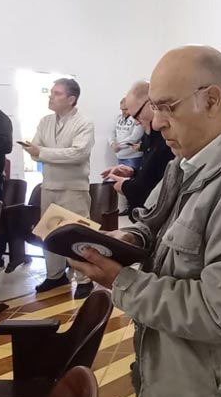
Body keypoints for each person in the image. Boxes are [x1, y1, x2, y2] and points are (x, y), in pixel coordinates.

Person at [69, 45, 221, 397]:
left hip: (214, 393)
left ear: (211, 100)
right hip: (175, 368)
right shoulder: (186, 162)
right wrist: (127, 239)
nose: (157, 123)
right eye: (154, 107)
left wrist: (121, 281)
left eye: (167, 107)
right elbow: (155, 222)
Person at [21, 78, 95, 299]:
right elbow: (35, 151)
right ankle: (55, 275)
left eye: (57, 93)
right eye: (51, 92)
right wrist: (40, 152)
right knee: (50, 233)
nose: (51, 96)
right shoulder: (45, 121)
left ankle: (85, 278)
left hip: (74, 187)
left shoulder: (84, 123)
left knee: (77, 234)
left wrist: (43, 152)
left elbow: (77, 154)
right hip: (49, 185)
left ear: (71, 99)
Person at [101, 81, 174, 220]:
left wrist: (125, 186)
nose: (136, 122)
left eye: (136, 115)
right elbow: (153, 172)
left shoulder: (167, 139)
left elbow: (158, 188)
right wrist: (133, 172)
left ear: (150, 104)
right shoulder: (150, 136)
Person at [109, 97, 144, 215]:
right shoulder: (118, 118)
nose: (123, 112)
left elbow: (135, 137)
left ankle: (134, 207)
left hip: (133, 156)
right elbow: (112, 133)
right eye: (121, 109)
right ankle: (125, 207)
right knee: (122, 180)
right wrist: (112, 143)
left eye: (125, 109)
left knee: (134, 181)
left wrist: (119, 145)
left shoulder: (137, 119)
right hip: (120, 155)